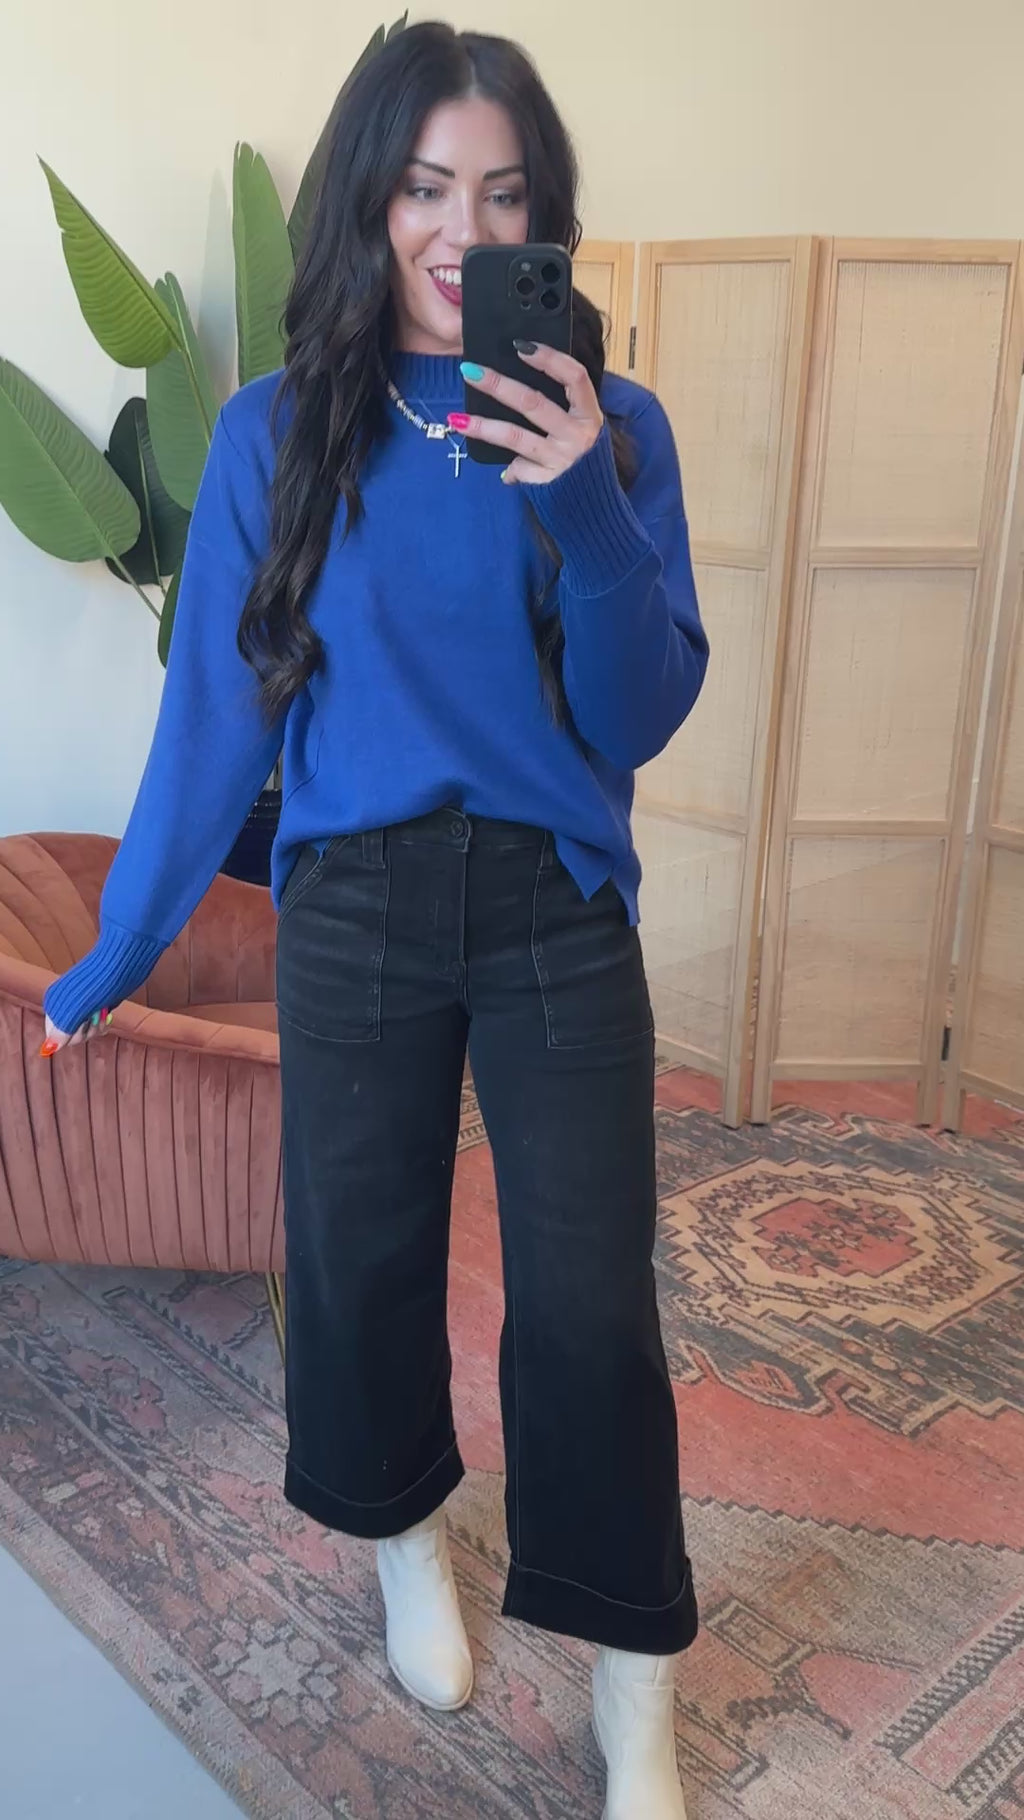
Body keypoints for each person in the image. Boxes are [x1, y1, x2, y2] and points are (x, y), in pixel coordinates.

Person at [43, 22, 709, 1819]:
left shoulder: (614, 429)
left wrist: (583, 502)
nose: (458, 231)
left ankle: (635, 1672)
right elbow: (216, 723)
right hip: (357, 904)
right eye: (424, 188)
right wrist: (117, 949)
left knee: (588, 1302)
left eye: (501, 195)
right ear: (369, 198)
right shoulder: (278, 433)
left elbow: (641, 712)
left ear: (543, 222)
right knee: (358, 1262)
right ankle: (407, 1537)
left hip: (560, 905)